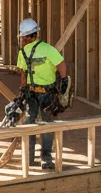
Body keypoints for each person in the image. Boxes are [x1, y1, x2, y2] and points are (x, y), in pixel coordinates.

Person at [15, 18, 66, 170]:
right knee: (47, 124)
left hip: (31, 92)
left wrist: (23, 90)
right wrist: (63, 81)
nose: (23, 40)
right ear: (36, 33)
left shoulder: (23, 51)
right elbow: (61, 65)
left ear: (29, 36)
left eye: (24, 37)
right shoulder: (48, 49)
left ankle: (29, 158)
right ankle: (46, 159)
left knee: (30, 123)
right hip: (46, 93)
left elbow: (23, 74)